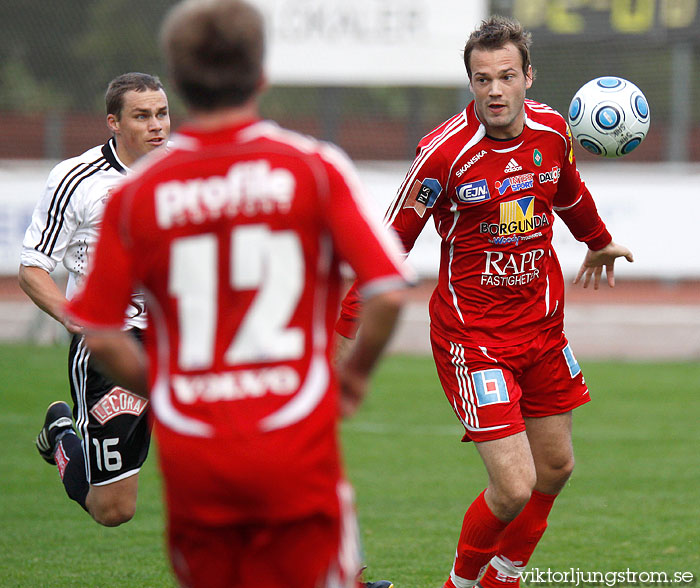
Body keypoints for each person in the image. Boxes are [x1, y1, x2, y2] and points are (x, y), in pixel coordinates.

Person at [65, 1, 409, 587]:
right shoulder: (314, 168)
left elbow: (98, 331)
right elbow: (389, 291)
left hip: (198, 455)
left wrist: (169, 390)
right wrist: (348, 383)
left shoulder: (137, 195)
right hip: (294, 442)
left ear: (179, 84)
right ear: (261, 77)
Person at [336, 16, 634, 588]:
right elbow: (386, 245)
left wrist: (596, 241)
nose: (494, 90)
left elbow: (567, 189)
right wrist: (346, 329)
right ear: (470, 83)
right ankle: (461, 583)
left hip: (543, 331)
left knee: (556, 467)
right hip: (473, 341)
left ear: (528, 76)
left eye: (505, 76)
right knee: (514, 484)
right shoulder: (443, 155)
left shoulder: (553, 131)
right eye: (481, 79)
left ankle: (505, 575)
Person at [19, 72, 170, 526]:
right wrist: (72, 317)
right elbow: (32, 268)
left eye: (162, 113)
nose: (156, 125)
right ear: (113, 122)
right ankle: (62, 433)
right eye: (142, 116)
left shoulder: (189, 172)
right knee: (113, 510)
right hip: (112, 346)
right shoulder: (77, 180)